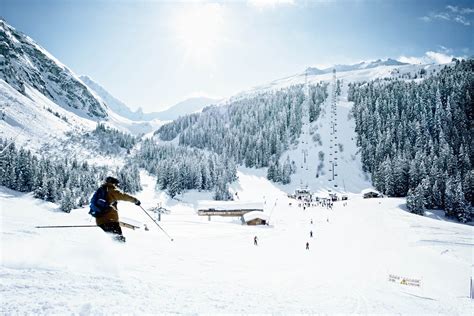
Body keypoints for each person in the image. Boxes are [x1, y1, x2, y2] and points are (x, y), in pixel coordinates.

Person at [95, 176, 141, 242]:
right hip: (111, 221)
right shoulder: (112, 190)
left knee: (109, 241)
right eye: (116, 184)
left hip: (100, 221)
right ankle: (121, 251)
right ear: (113, 183)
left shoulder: (100, 191)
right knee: (119, 240)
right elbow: (124, 196)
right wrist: (135, 201)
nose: (117, 186)